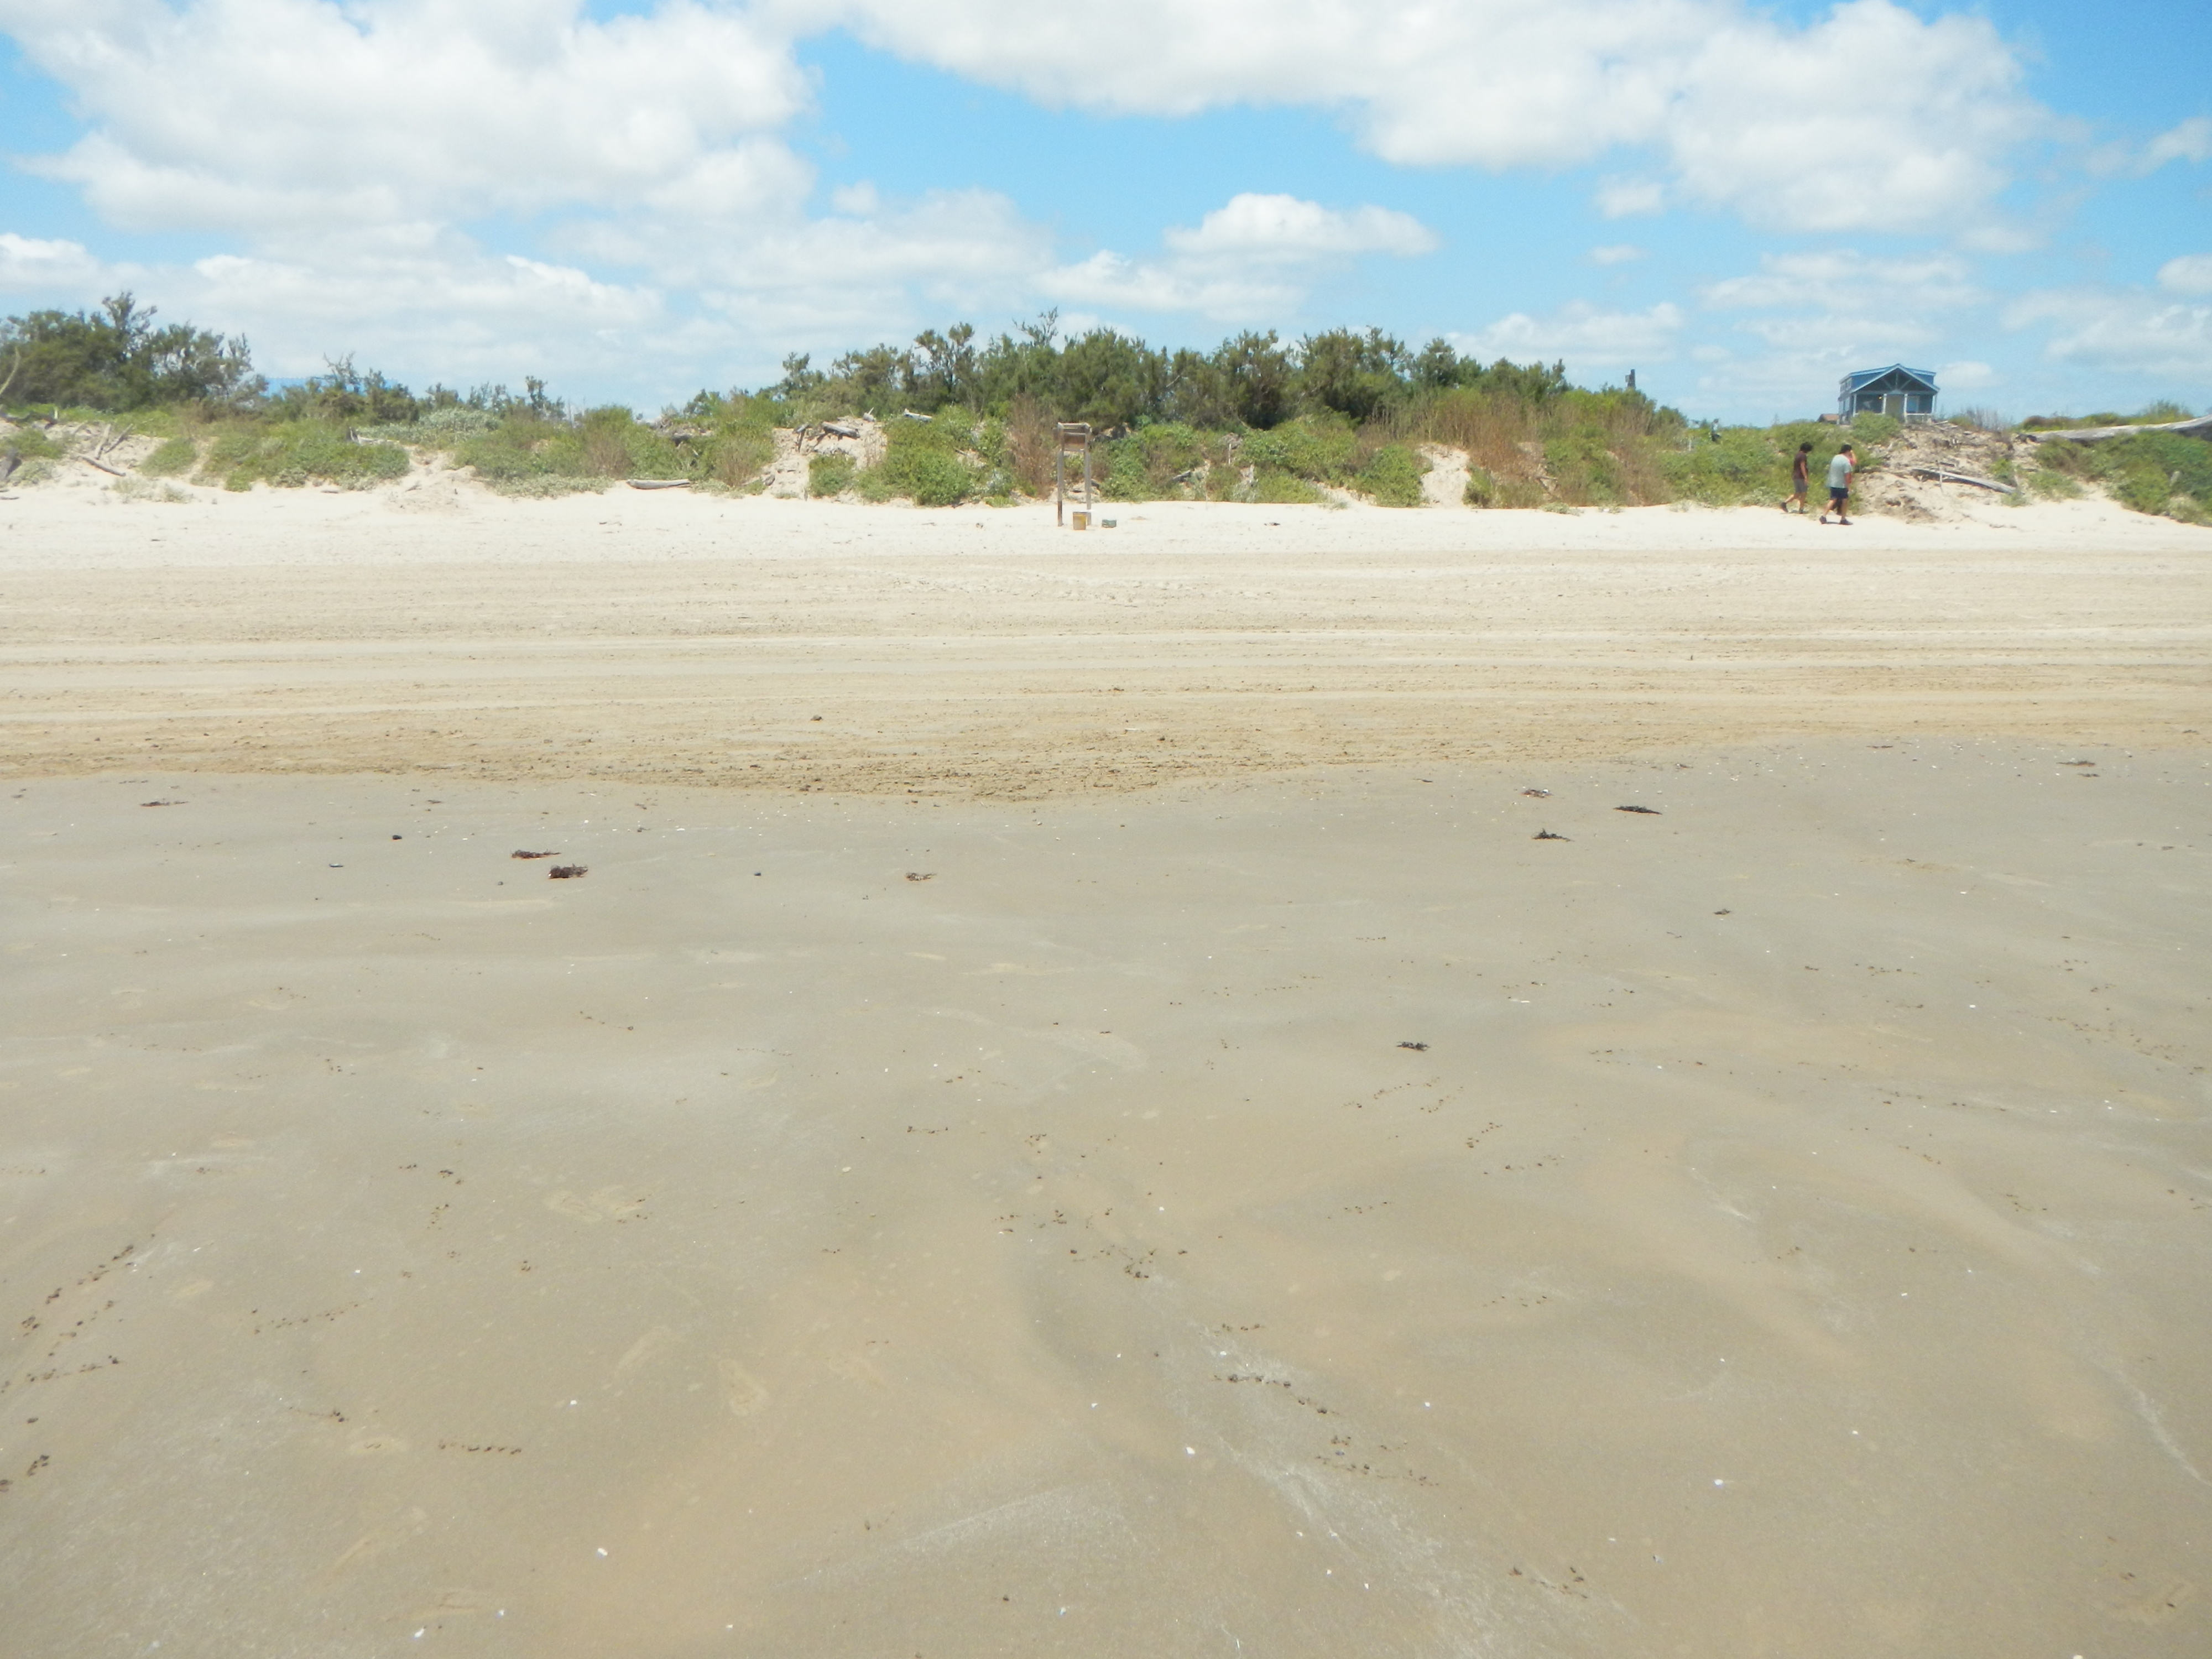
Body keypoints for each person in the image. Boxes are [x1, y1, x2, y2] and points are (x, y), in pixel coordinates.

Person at [1820, 443, 1855, 524]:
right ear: (1848, 451)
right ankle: (1843, 519)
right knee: (1845, 500)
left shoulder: (1835, 458)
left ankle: (1824, 516)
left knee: (1833, 499)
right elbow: (1847, 475)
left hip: (1833, 482)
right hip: (1842, 484)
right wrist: (1848, 486)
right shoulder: (1846, 462)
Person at [1785, 442, 1812, 513]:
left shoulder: (1798, 455)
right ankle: (1801, 509)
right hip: (1801, 476)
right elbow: (1802, 466)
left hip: (1796, 476)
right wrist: (1806, 477)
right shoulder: (1803, 456)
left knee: (1798, 493)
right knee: (1804, 492)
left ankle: (1784, 503)